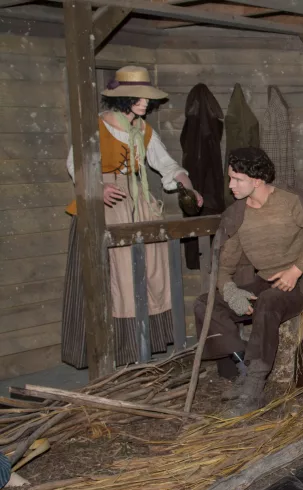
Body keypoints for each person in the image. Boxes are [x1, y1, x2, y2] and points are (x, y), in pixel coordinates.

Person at [61, 65, 204, 368]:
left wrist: (188, 186)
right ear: (121, 98)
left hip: (137, 202)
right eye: (138, 97)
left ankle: (145, 343)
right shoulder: (95, 126)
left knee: (151, 270)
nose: (145, 103)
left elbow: (165, 163)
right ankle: (116, 348)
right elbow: (77, 165)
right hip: (104, 206)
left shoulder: (143, 129)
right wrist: (98, 186)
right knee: (118, 278)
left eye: (147, 98)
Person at [193, 147, 303, 417]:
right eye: (230, 178)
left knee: (269, 301)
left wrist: (296, 270)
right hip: (264, 279)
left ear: (257, 179)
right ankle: (243, 367)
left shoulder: (291, 201)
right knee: (206, 304)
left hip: (301, 280)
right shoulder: (237, 214)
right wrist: (229, 289)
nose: (230, 186)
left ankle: (254, 388)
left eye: (237, 179)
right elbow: (224, 265)